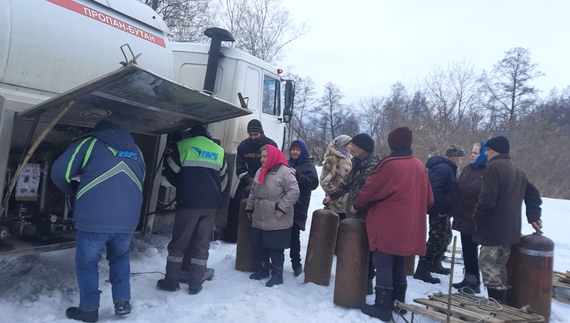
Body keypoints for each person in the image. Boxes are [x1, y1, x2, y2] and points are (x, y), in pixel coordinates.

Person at [51, 120, 145, 323]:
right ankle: (122, 302)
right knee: (120, 258)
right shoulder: (136, 150)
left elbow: (60, 172)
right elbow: (141, 178)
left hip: (94, 218)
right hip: (127, 220)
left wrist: (73, 191)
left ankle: (89, 309)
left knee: (87, 264)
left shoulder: (90, 143)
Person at [353, 126, 434, 322]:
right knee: (398, 262)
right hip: (410, 225)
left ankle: (382, 307)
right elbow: (430, 199)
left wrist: (357, 205)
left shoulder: (389, 165)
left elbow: (368, 191)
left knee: (382, 263)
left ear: (392, 143)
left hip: (388, 224)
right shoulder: (419, 165)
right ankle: (399, 303)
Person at [156, 125, 226, 295]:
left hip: (188, 203)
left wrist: (183, 185)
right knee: (202, 245)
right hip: (210, 205)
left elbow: (170, 173)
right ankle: (195, 284)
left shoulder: (182, 146)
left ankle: (171, 282)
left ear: (191, 134)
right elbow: (222, 176)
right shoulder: (219, 150)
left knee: (179, 243)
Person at [473, 136, 542, 304]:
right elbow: (533, 194)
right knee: (499, 269)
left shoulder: (494, 167)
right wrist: (533, 216)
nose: (486, 154)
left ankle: (495, 312)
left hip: (493, 230)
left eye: (487, 150)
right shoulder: (517, 169)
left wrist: (477, 218)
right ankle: (502, 309)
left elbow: (487, 200)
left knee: (489, 267)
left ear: (494, 150)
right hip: (510, 231)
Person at [323, 133, 381, 294]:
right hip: (353, 212)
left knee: (366, 247)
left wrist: (358, 205)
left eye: (354, 146)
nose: (352, 148)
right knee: (353, 245)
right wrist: (332, 196)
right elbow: (347, 184)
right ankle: (352, 277)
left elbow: (369, 190)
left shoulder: (374, 165)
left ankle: (367, 281)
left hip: (367, 213)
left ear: (363, 148)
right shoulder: (356, 161)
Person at [246, 144, 300, 287]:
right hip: (260, 215)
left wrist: (281, 208)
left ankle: (277, 274)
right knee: (260, 245)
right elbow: (253, 191)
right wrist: (250, 208)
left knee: (275, 247)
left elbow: (294, 192)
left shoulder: (285, 172)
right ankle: (263, 269)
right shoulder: (260, 171)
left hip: (277, 217)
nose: (262, 160)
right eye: (261, 157)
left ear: (273, 157)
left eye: (265, 156)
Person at [414, 144, 465, 284]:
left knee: (446, 236)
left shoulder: (447, 168)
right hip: (438, 210)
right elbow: (435, 190)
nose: (461, 161)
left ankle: (435, 264)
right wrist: (441, 209)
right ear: (454, 157)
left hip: (443, 210)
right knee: (436, 239)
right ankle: (422, 269)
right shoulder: (442, 168)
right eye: (460, 158)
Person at [224, 119, 277, 242]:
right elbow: (240, 168)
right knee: (242, 207)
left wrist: (261, 181)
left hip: (266, 183)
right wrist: (249, 181)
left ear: (261, 133)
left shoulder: (271, 145)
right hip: (248, 183)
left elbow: (274, 166)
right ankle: (239, 238)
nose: (253, 138)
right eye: (250, 135)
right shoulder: (243, 146)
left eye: (256, 135)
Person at [450, 142, 487, 294]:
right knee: (467, 250)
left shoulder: (488, 171)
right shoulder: (467, 169)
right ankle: (468, 278)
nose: (472, 155)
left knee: (475, 251)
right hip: (464, 217)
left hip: (477, 218)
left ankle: (475, 282)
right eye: (472, 152)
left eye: (476, 153)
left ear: (484, 154)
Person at [287, 140, 319, 277]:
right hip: (286, 205)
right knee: (280, 234)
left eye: (297, 149)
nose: (294, 152)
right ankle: (276, 262)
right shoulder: (288, 163)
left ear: (303, 151)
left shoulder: (308, 164)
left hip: (298, 206)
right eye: (293, 149)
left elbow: (313, 183)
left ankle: (296, 264)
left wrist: (297, 175)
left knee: (294, 236)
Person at [320, 134, 352, 220]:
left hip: (347, 205)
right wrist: (336, 195)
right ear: (343, 145)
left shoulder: (349, 158)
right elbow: (324, 181)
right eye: (349, 144)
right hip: (335, 205)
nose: (351, 146)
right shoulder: (332, 159)